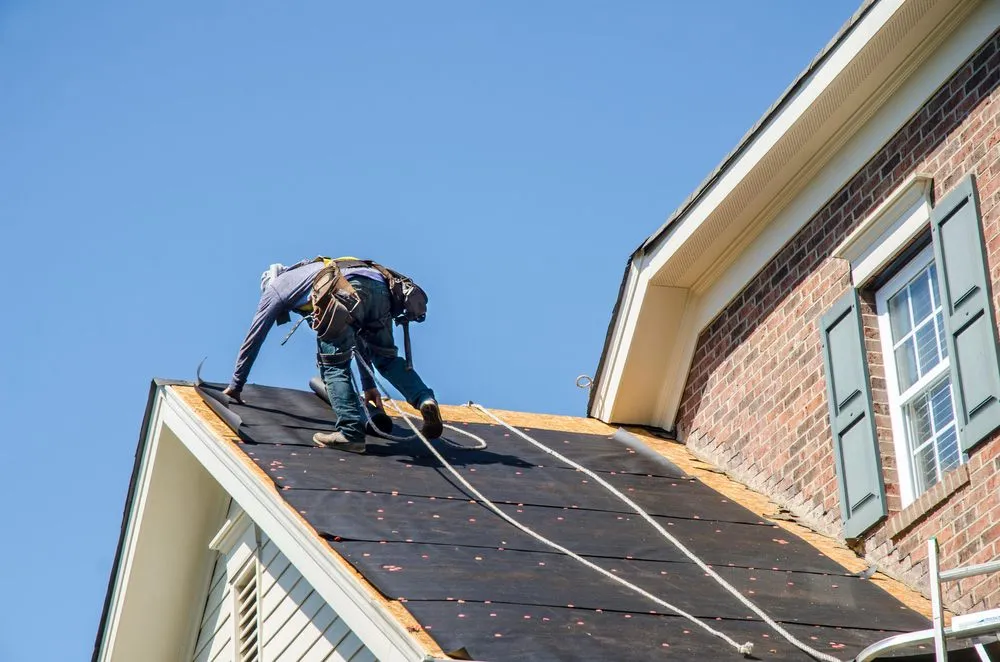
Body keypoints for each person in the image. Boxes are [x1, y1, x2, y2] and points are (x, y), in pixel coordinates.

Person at [223, 258, 442, 453]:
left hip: (343, 291)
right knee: (387, 359)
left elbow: (254, 337)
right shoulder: (312, 269)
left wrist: (236, 385)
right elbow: (359, 333)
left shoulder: (276, 288)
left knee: (333, 366)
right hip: (378, 285)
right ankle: (425, 400)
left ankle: (350, 433)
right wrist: (368, 386)